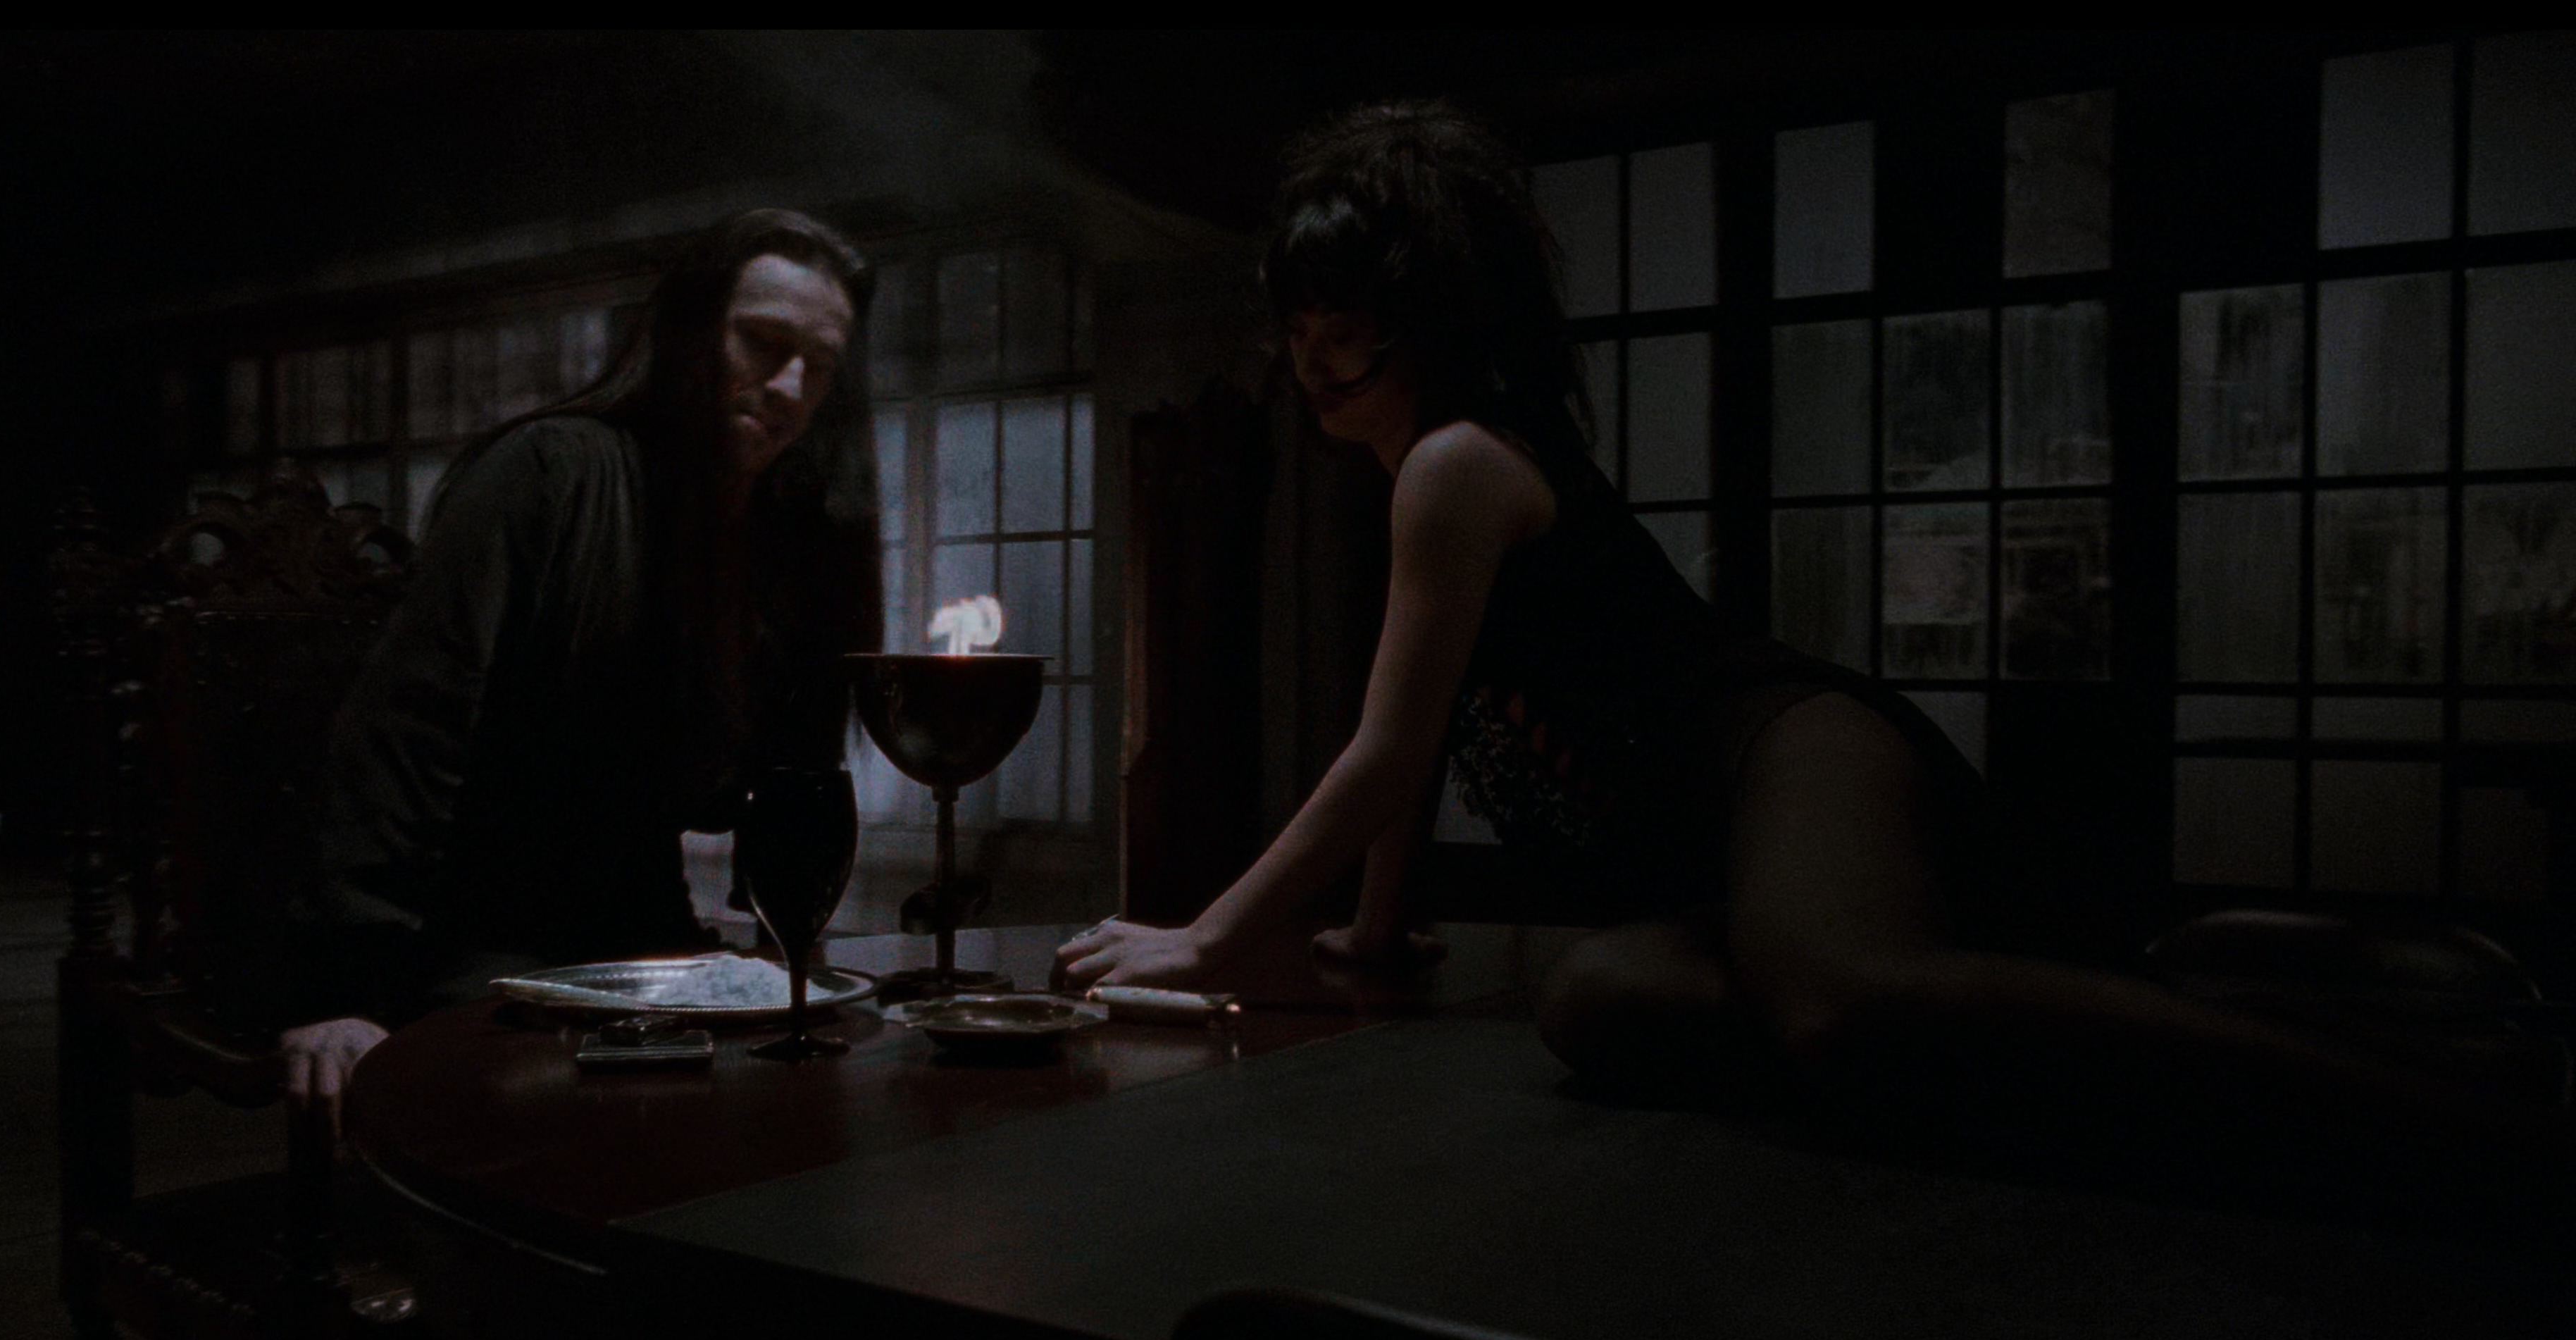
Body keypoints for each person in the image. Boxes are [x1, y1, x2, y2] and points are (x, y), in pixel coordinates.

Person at [1056, 102, 2570, 1221]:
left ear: (1430, 322)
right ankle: (2086, 1034)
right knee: (1599, 1002)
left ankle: (2473, 1133)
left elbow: (1386, 751)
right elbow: (1431, 719)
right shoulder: (1420, 474)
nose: (1315, 368)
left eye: (1345, 338)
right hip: (1711, 858)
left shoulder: (1454, 461)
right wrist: (1376, 932)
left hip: (1784, 746)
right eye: (1301, 336)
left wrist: (1208, 937)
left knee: (1846, 1004)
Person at [281, 209, 881, 1122]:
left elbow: (767, 785)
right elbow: (406, 728)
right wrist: (341, 986)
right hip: (471, 945)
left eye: (822, 367)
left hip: (645, 946)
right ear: (688, 332)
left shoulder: (769, 536)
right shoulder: (550, 472)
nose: (791, 387)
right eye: (764, 343)